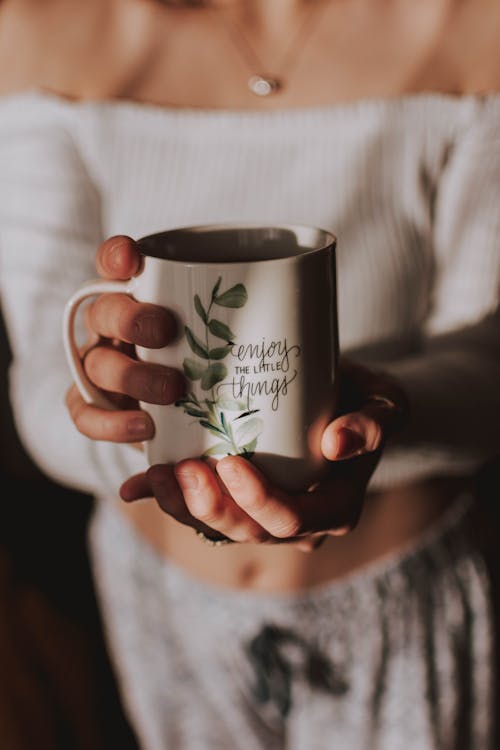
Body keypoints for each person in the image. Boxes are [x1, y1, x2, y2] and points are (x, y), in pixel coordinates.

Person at [1, 0, 499, 747]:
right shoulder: (36, 28)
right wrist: (118, 416)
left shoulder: (477, 27)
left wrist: (378, 413)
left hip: (406, 603)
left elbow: (489, 366)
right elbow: (44, 376)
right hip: (164, 612)